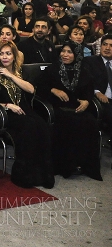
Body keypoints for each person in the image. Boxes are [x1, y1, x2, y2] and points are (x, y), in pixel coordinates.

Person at [0, 41, 54, 189]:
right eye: (2, 54)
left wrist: (11, 75)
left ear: (14, 56)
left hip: (25, 110)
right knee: (29, 127)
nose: (5, 57)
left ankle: (43, 175)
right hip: (6, 114)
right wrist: (8, 105)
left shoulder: (22, 71)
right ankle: (24, 175)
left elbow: (31, 90)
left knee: (42, 126)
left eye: (8, 53)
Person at [38, 42, 101, 180]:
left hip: (77, 107)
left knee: (90, 122)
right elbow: (41, 88)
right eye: (63, 51)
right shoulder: (52, 69)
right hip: (58, 107)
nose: (65, 55)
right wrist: (53, 90)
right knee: (70, 122)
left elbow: (88, 91)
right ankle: (67, 165)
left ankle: (84, 164)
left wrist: (87, 101)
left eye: (69, 52)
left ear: (77, 55)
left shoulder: (83, 71)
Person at [81, 34, 112, 132]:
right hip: (102, 99)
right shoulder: (90, 61)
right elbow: (87, 81)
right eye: (105, 44)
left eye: (111, 46)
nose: (107, 48)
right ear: (101, 46)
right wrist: (97, 92)